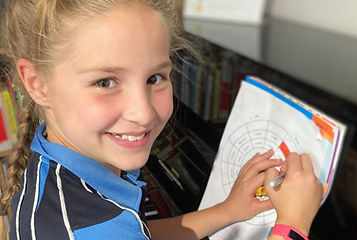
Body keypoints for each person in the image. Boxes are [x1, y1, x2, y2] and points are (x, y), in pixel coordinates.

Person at [0, 0, 323, 239]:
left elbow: (136, 232)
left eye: (155, 78)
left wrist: (228, 211)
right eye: (105, 82)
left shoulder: (49, 158)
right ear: (37, 83)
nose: (143, 113)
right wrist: (294, 221)